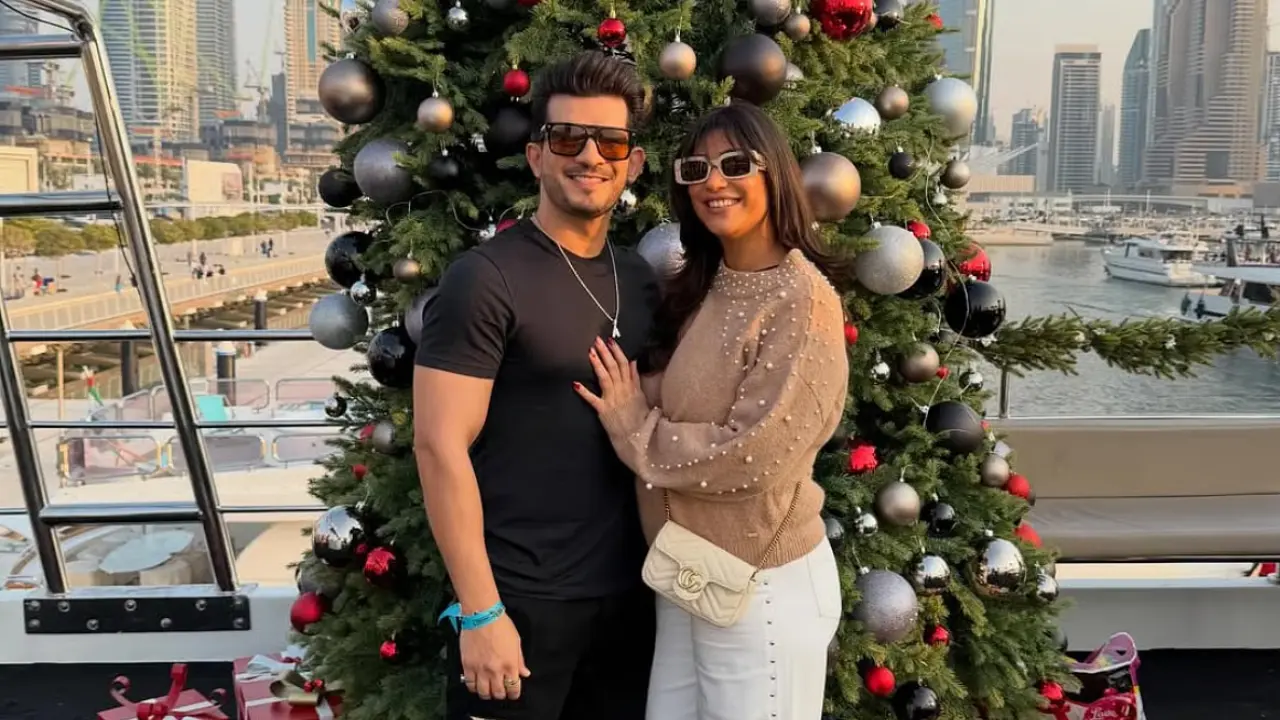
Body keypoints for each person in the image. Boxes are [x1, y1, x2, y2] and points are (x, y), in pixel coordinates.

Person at [575, 102, 850, 720]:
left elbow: (755, 453)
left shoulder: (802, 301)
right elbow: (683, 394)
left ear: (775, 172)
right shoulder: (708, 284)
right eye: (696, 169)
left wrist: (632, 427)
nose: (713, 182)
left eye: (734, 164)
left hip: (760, 586)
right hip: (688, 573)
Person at [412, 51, 659, 720]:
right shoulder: (485, 278)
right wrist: (481, 612)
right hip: (519, 609)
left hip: (630, 607)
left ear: (633, 162)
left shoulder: (640, 279)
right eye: (568, 138)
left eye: (610, 142)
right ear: (536, 157)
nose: (591, 156)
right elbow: (438, 446)